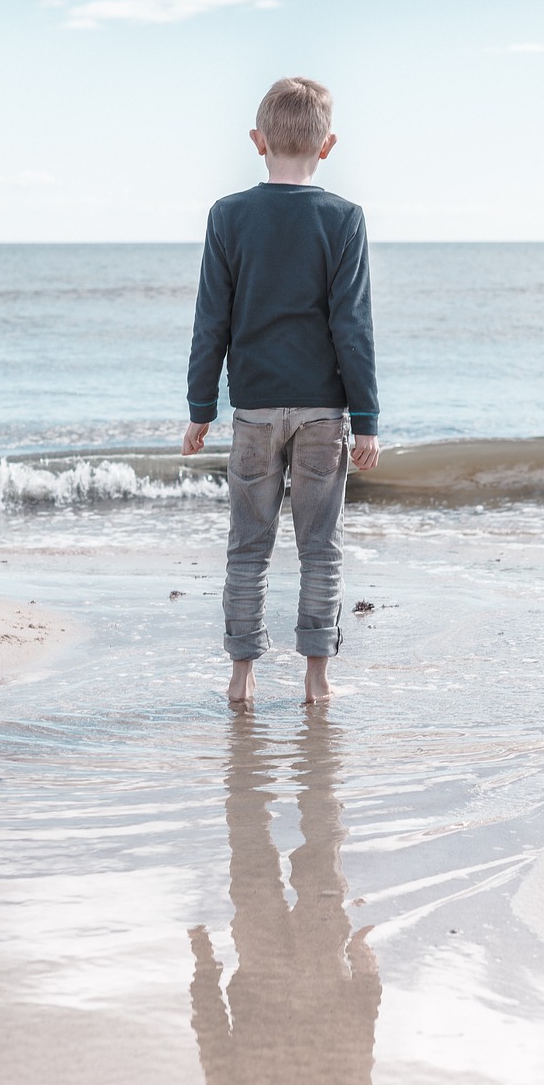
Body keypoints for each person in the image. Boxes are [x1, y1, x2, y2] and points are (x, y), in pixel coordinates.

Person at [182, 77, 379, 704]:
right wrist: (367, 417)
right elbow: (352, 325)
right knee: (321, 548)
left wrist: (199, 409)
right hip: (324, 411)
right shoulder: (344, 219)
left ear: (257, 140)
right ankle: (317, 679)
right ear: (328, 146)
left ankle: (241, 676)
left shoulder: (229, 216)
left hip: (255, 412)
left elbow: (211, 318)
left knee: (248, 548)